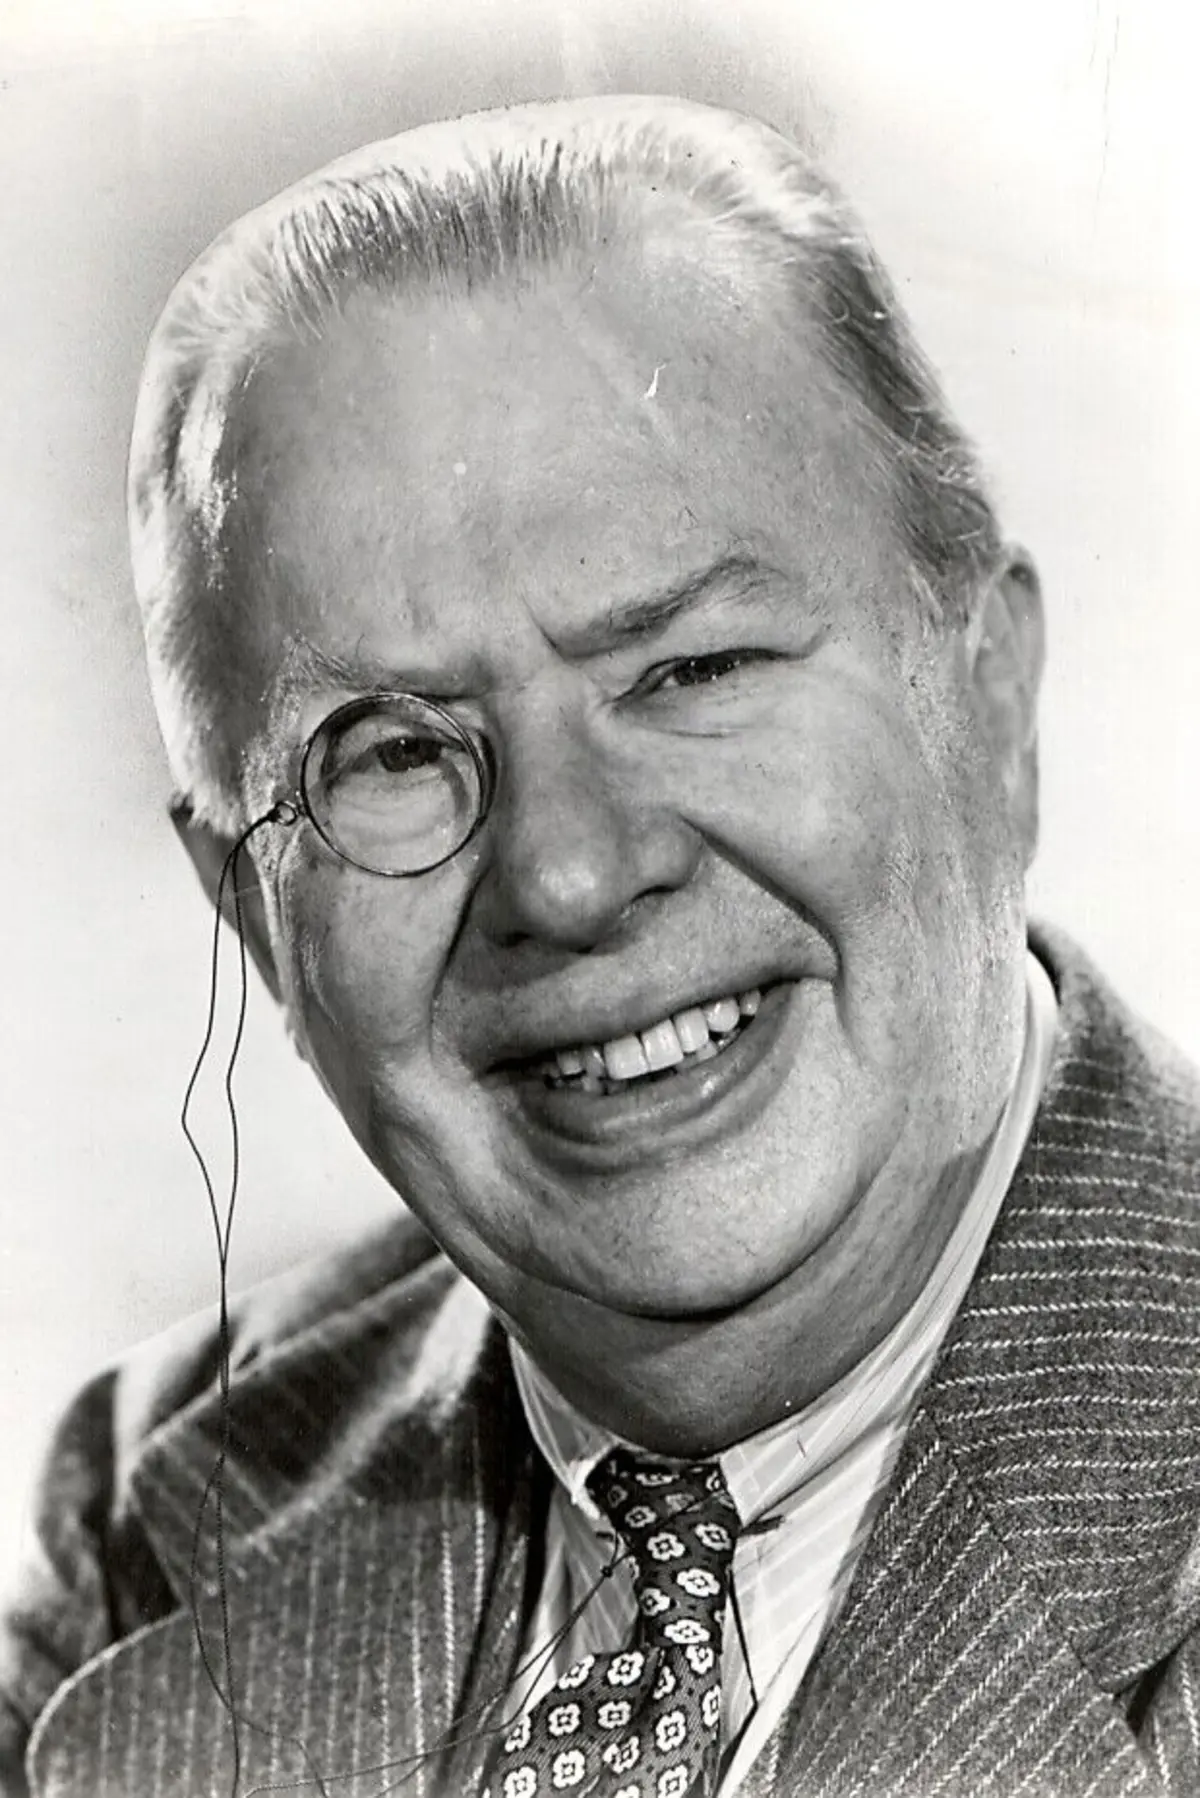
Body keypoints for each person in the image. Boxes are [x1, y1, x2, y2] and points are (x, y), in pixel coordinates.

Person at [2, 94, 1198, 1798]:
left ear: (992, 697)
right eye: (394, 752)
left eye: (691, 669)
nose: (567, 872)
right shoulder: (139, 1528)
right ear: (250, 910)